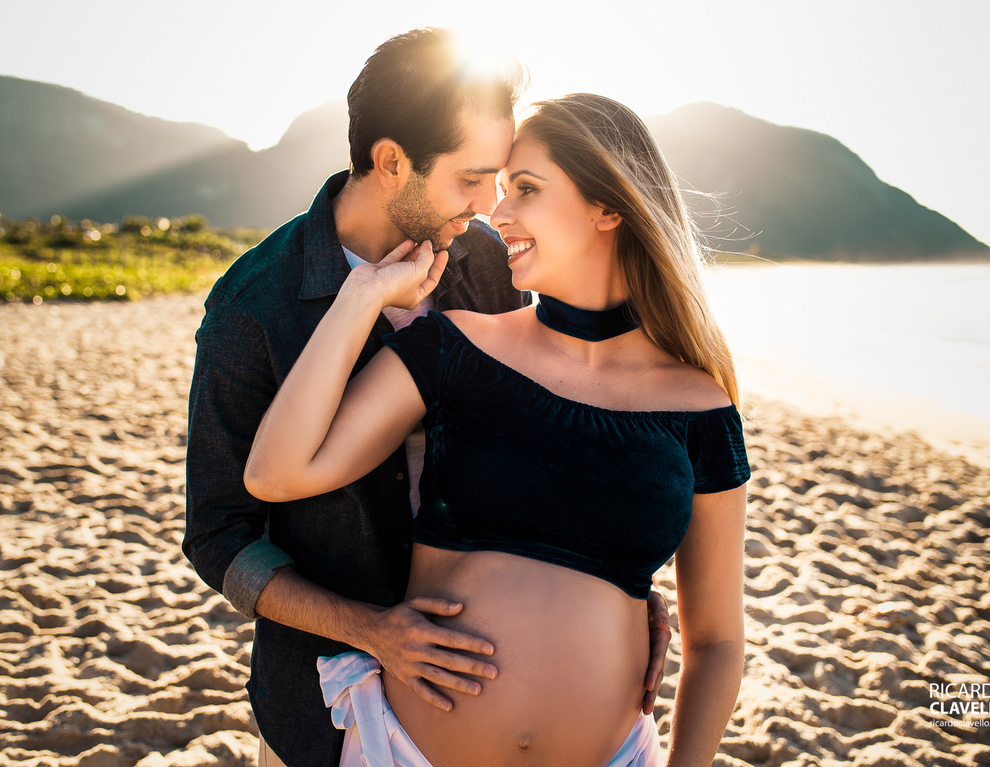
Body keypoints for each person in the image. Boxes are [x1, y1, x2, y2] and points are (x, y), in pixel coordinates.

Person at [183, 30, 672, 767]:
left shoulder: (489, 263)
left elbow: (561, 436)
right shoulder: (253, 307)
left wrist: (618, 583)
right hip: (320, 709)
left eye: (500, 180)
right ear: (390, 163)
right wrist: (373, 628)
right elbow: (220, 535)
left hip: (490, 691)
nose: (486, 206)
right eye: (471, 178)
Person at [245, 93, 750, 767]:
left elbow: (716, 639)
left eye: (527, 190)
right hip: (402, 752)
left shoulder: (701, 407)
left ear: (609, 206)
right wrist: (361, 294)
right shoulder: (450, 348)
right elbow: (276, 472)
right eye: (502, 189)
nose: (497, 212)